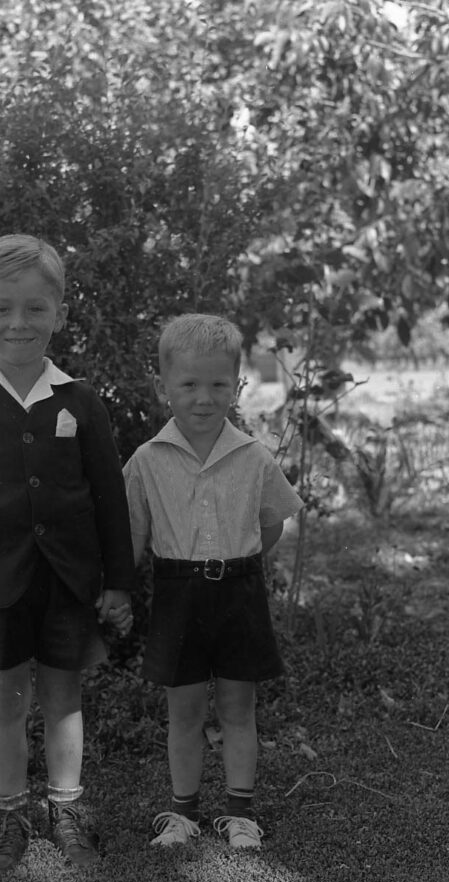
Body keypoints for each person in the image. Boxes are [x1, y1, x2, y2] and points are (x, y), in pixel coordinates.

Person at [0, 233, 135, 875]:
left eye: (35, 309)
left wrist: (119, 581)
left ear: (59, 313)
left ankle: (66, 808)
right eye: (2, 309)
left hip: (70, 581)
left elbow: (109, 498)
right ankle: (12, 813)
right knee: (4, 703)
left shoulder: (81, 401)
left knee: (64, 699)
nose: (19, 323)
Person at [116, 313, 303, 850]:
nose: (204, 397)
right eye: (189, 384)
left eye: (219, 384)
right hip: (178, 594)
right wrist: (117, 592)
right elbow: (131, 535)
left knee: (239, 708)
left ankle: (240, 813)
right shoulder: (147, 461)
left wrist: (236, 561)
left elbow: (272, 523)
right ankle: (182, 814)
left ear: (238, 386)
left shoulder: (253, 457)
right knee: (186, 711)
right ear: (163, 388)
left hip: (239, 592)